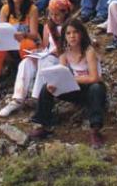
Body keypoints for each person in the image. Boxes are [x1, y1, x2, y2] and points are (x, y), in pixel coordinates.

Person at [29, 19, 107, 149]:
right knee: (46, 88)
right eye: (68, 33)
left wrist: (72, 79)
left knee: (96, 88)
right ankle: (43, 125)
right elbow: (61, 72)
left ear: (81, 34)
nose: (72, 36)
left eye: (75, 32)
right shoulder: (64, 51)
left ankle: (95, 130)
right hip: (75, 87)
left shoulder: (88, 51)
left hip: (92, 89)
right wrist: (53, 84)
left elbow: (95, 77)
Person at [0, 0, 71, 117]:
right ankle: (17, 98)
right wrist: (36, 53)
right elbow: (45, 46)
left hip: (63, 60)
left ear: (65, 12)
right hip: (49, 56)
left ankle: (37, 97)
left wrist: (55, 52)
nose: (54, 17)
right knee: (26, 62)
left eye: (57, 14)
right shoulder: (49, 26)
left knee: (46, 61)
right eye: (51, 14)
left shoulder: (71, 27)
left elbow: (75, 47)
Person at [0, 0, 39, 104]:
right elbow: (1, 29)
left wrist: (24, 35)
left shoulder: (32, 9)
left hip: (24, 40)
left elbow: (34, 34)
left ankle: (30, 82)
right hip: (8, 42)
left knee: (29, 46)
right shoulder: (5, 9)